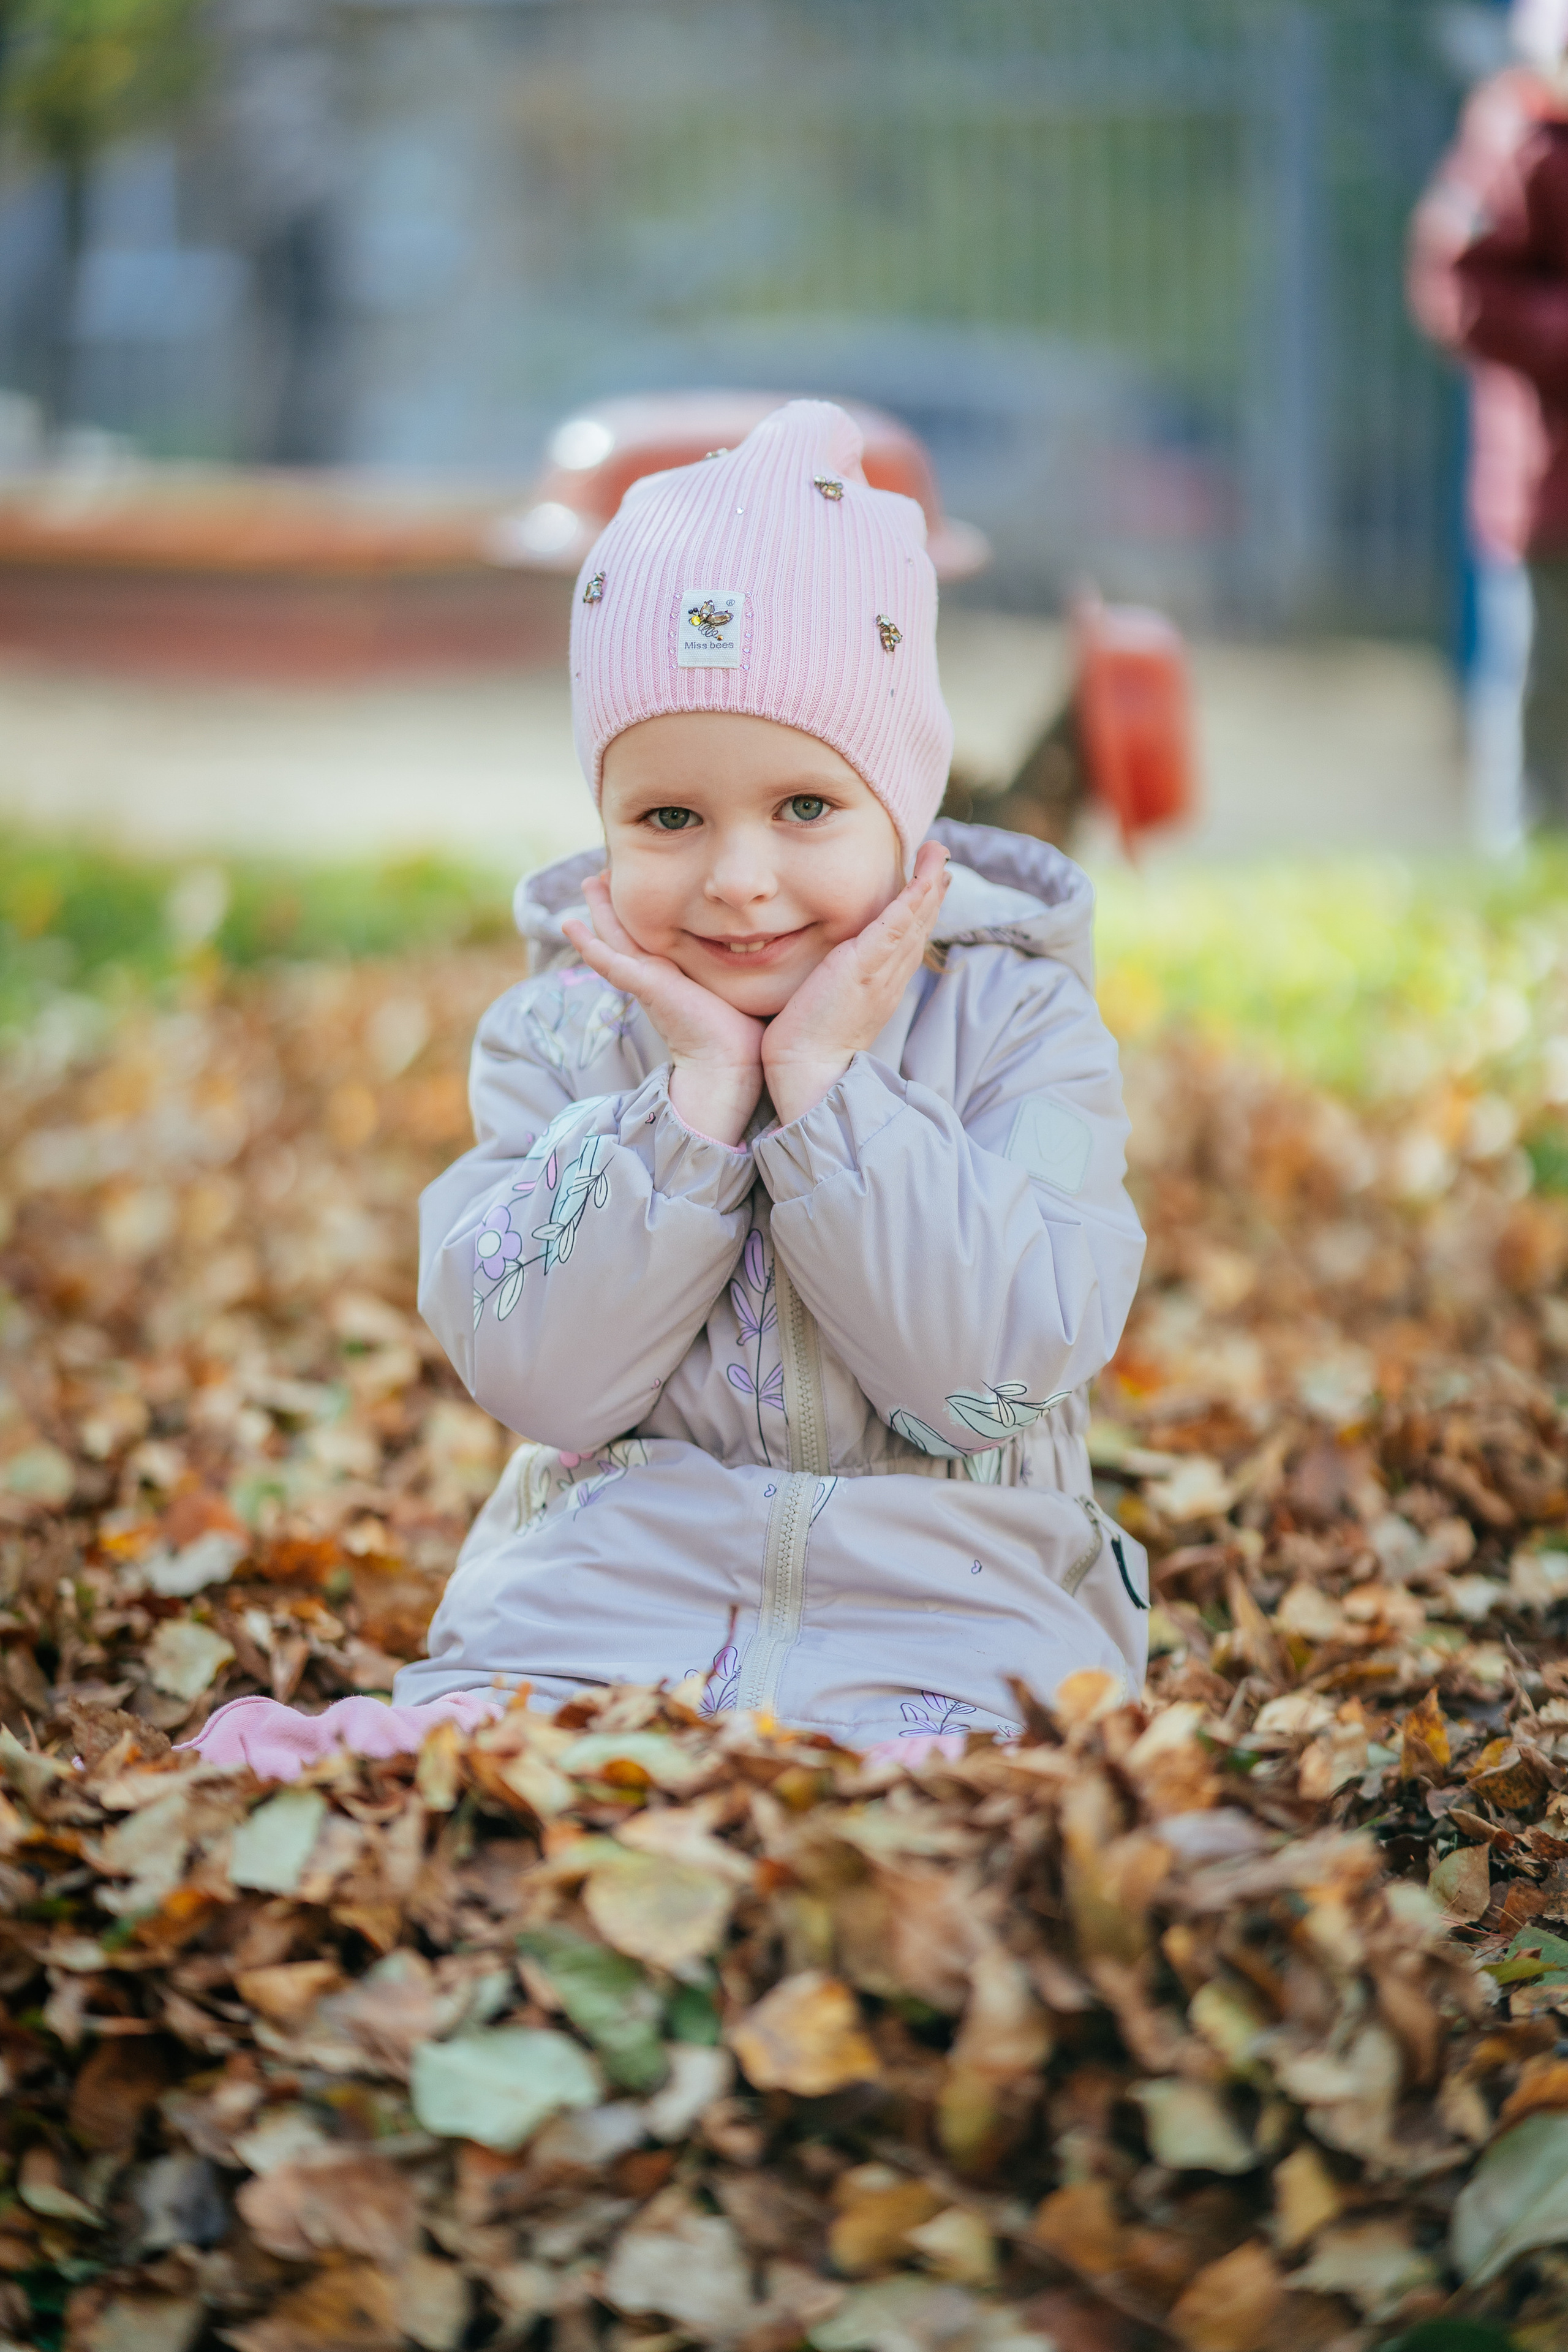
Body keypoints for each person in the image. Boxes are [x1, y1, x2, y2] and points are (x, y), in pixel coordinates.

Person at [186, 400, 1148, 1780]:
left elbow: (981, 1384)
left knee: (945, 1852)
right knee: (351, 1792)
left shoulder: (1016, 1026)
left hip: (949, 1636)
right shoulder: (564, 1039)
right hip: (585, 1624)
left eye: (805, 808)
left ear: (907, 807)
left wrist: (821, 1089)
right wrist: (693, 1101)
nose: (736, 877)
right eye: (668, 818)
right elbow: (542, 1381)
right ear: (604, 822)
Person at [1409, 0, 1568, 840]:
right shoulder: (1519, 136)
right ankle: (1532, 872)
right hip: (1550, 496)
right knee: (1545, 701)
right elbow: (1459, 288)